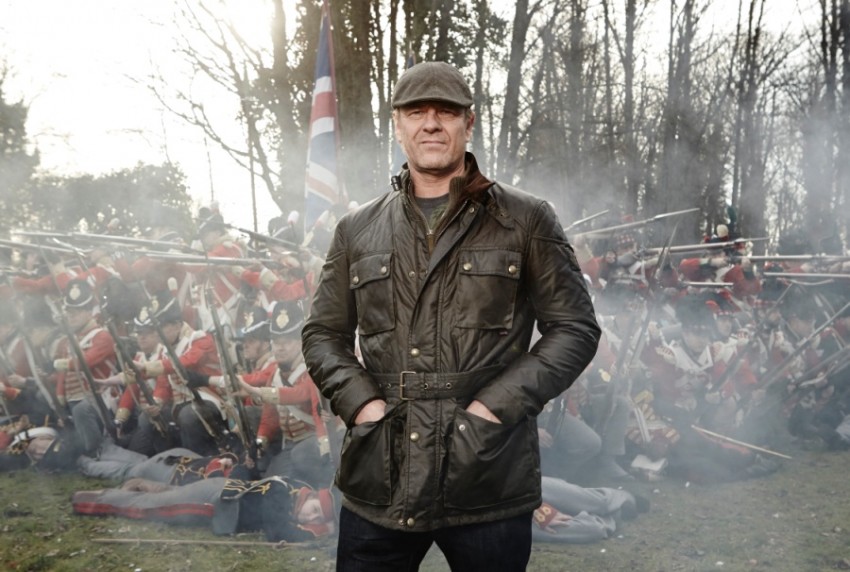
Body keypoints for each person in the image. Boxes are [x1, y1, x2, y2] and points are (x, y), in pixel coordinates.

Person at [301, 61, 601, 571]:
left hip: (487, 471)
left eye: (446, 111)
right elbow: (323, 334)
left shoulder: (526, 219)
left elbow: (575, 328)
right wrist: (363, 405)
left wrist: (494, 408)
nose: (431, 124)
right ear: (398, 126)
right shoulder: (357, 229)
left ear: (469, 122)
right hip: (382, 470)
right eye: (416, 112)